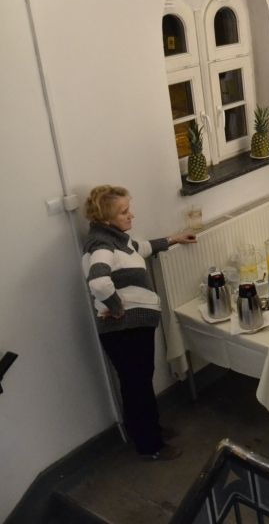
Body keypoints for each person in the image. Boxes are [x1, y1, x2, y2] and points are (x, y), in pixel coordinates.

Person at [82, 185, 196, 460]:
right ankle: (151, 446)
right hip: (124, 330)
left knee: (138, 383)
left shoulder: (118, 239)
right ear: (106, 218)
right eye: (124, 212)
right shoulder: (102, 245)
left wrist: (174, 239)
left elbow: (140, 249)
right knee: (138, 387)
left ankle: (146, 430)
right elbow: (98, 282)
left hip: (132, 328)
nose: (131, 215)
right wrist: (116, 307)